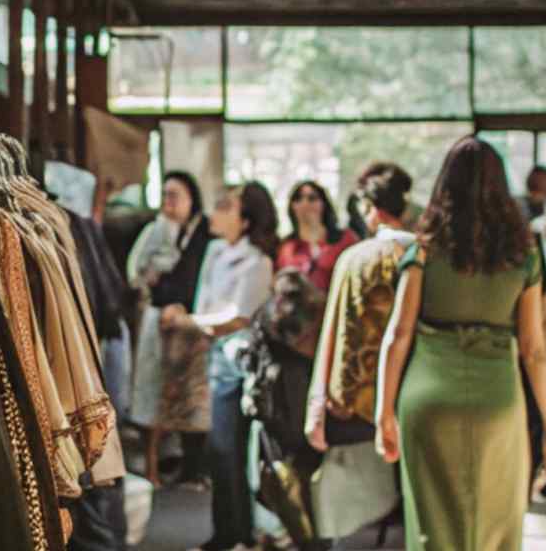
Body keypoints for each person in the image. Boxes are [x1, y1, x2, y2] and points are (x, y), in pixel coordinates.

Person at [373, 137, 546, 551]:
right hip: (497, 399)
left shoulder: (421, 252)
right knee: (495, 524)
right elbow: (534, 351)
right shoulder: (523, 256)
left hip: (428, 398)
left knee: (434, 529)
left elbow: (398, 335)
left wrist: (383, 412)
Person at [158, 183, 278, 551]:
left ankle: (238, 533)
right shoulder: (213, 250)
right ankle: (228, 531)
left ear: (245, 219)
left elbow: (239, 317)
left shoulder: (258, 261)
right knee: (220, 450)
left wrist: (189, 320)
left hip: (241, 362)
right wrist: (194, 318)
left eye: (227, 207)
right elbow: (207, 307)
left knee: (233, 450)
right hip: (213, 356)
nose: (216, 213)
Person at [301, 163, 417, 543]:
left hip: (357, 396)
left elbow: (331, 333)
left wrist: (318, 402)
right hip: (414, 389)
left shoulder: (353, 258)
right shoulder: (422, 254)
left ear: (370, 207)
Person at [128, 171, 218, 485]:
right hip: (160, 317)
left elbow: (198, 276)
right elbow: (137, 270)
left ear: (191, 198)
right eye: (165, 194)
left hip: (193, 322)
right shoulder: (156, 230)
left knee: (193, 396)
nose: (169, 202)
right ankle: (158, 465)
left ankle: (195, 466)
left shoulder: (203, 231)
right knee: (155, 391)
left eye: (175, 195)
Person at [240, 269, 329, 550]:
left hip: (275, 410)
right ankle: (314, 539)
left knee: (278, 477)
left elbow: (252, 361)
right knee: (310, 479)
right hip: (306, 403)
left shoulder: (265, 318)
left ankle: (293, 535)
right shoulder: (318, 315)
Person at [277, 181, 359, 293]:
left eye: (312, 198)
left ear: (323, 203)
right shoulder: (286, 247)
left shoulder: (345, 239)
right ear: (292, 206)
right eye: (298, 198)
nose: (305, 203)